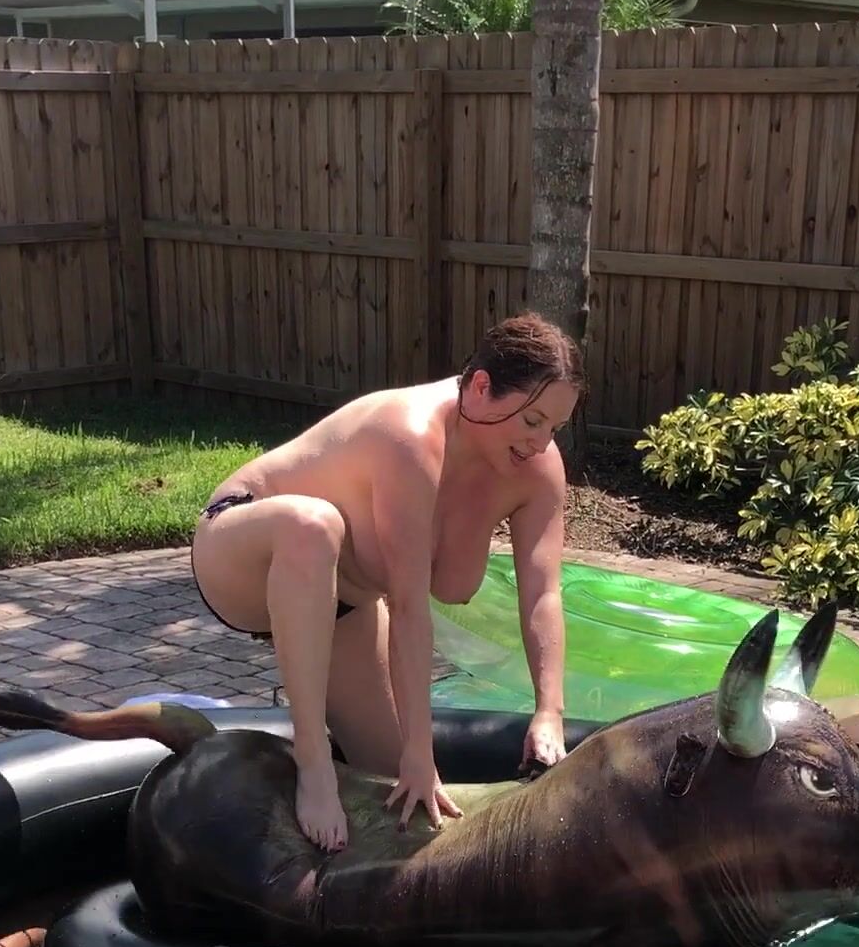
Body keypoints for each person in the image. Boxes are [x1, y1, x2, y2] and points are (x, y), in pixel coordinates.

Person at [189, 313, 584, 852]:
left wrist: (548, 712)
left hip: (343, 602)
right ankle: (312, 761)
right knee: (313, 525)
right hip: (241, 547)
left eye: (555, 427)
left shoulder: (537, 470)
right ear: (481, 387)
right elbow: (407, 606)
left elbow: (543, 593)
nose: (541, 442)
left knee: (398, 787)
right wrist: (422, 750)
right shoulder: (412, 435)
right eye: (533, 420)